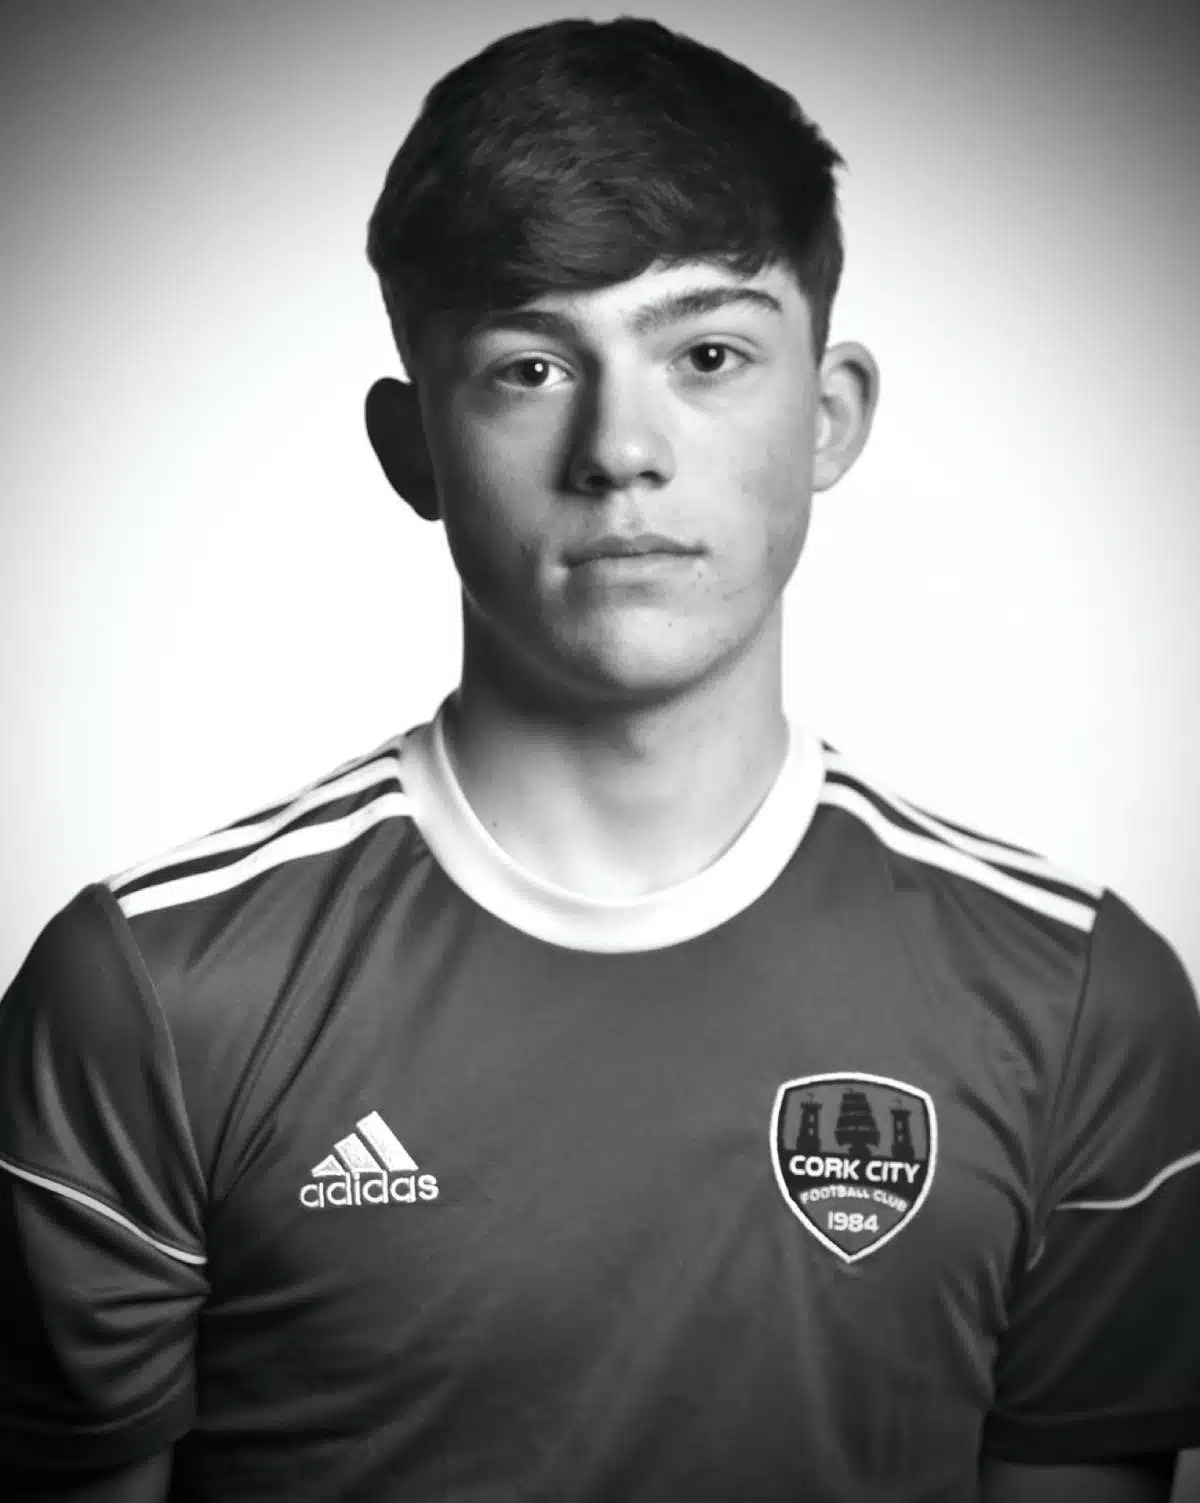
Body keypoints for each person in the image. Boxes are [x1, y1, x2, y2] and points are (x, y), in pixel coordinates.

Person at [1, 16, 1197, 1502]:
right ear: (413, 449)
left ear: (829, 415)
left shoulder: (1081, 1004)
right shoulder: (153, 997)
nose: (622, 448)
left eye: (708, 354)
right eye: (528, 366)